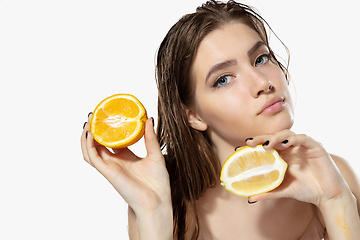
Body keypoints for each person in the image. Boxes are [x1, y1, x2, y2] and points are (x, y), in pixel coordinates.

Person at [81, 1, 360, 239]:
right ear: (192, 115)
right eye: (223, 79)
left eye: (261, 59)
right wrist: (155, 218)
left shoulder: (334, 177)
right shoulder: (172, 205)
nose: (262, 82)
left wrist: (336, 201)